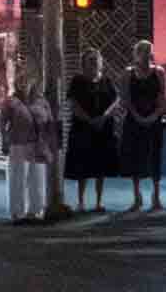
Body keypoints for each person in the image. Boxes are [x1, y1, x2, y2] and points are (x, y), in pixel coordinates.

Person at [0, 65, 57, 224]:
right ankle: (17, 213)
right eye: (20, 80)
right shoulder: (11, 102)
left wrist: (51, 144)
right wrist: (4, 140)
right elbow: (2, 122)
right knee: (17, 178)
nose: (23, 83)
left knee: (37, 178)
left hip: (38, 145)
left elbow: (50, 122)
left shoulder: (42, 101)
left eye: (27, 79)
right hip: (17, 144)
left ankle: (36, 211)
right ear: (16, 82)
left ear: (34, 81)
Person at [65, 48, 119, 211]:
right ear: (84, 63)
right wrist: (89, 120)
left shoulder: (106, 81)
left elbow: (116, 101)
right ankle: (81, 202)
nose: (93, 62)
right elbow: (73, 104)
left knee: (100, 166)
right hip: (83, 128)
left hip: (103, 128)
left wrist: (104, 117)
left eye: (96, 59)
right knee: (83, 166)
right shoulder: (77, 80)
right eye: (90, 60)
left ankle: (98, 201)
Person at [119, 39, 166, 211]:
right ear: (136, 54)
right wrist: (138, 116)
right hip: (134, 120)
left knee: (155, 156)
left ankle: (156, 196)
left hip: (154, 120)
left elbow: (162, 96)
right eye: (143, 51)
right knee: (135, 157)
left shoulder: (159, 72)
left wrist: (154, 115)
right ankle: (137, 196)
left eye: (149, 51)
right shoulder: (128, 73)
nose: (146, 55)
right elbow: (126, 98)